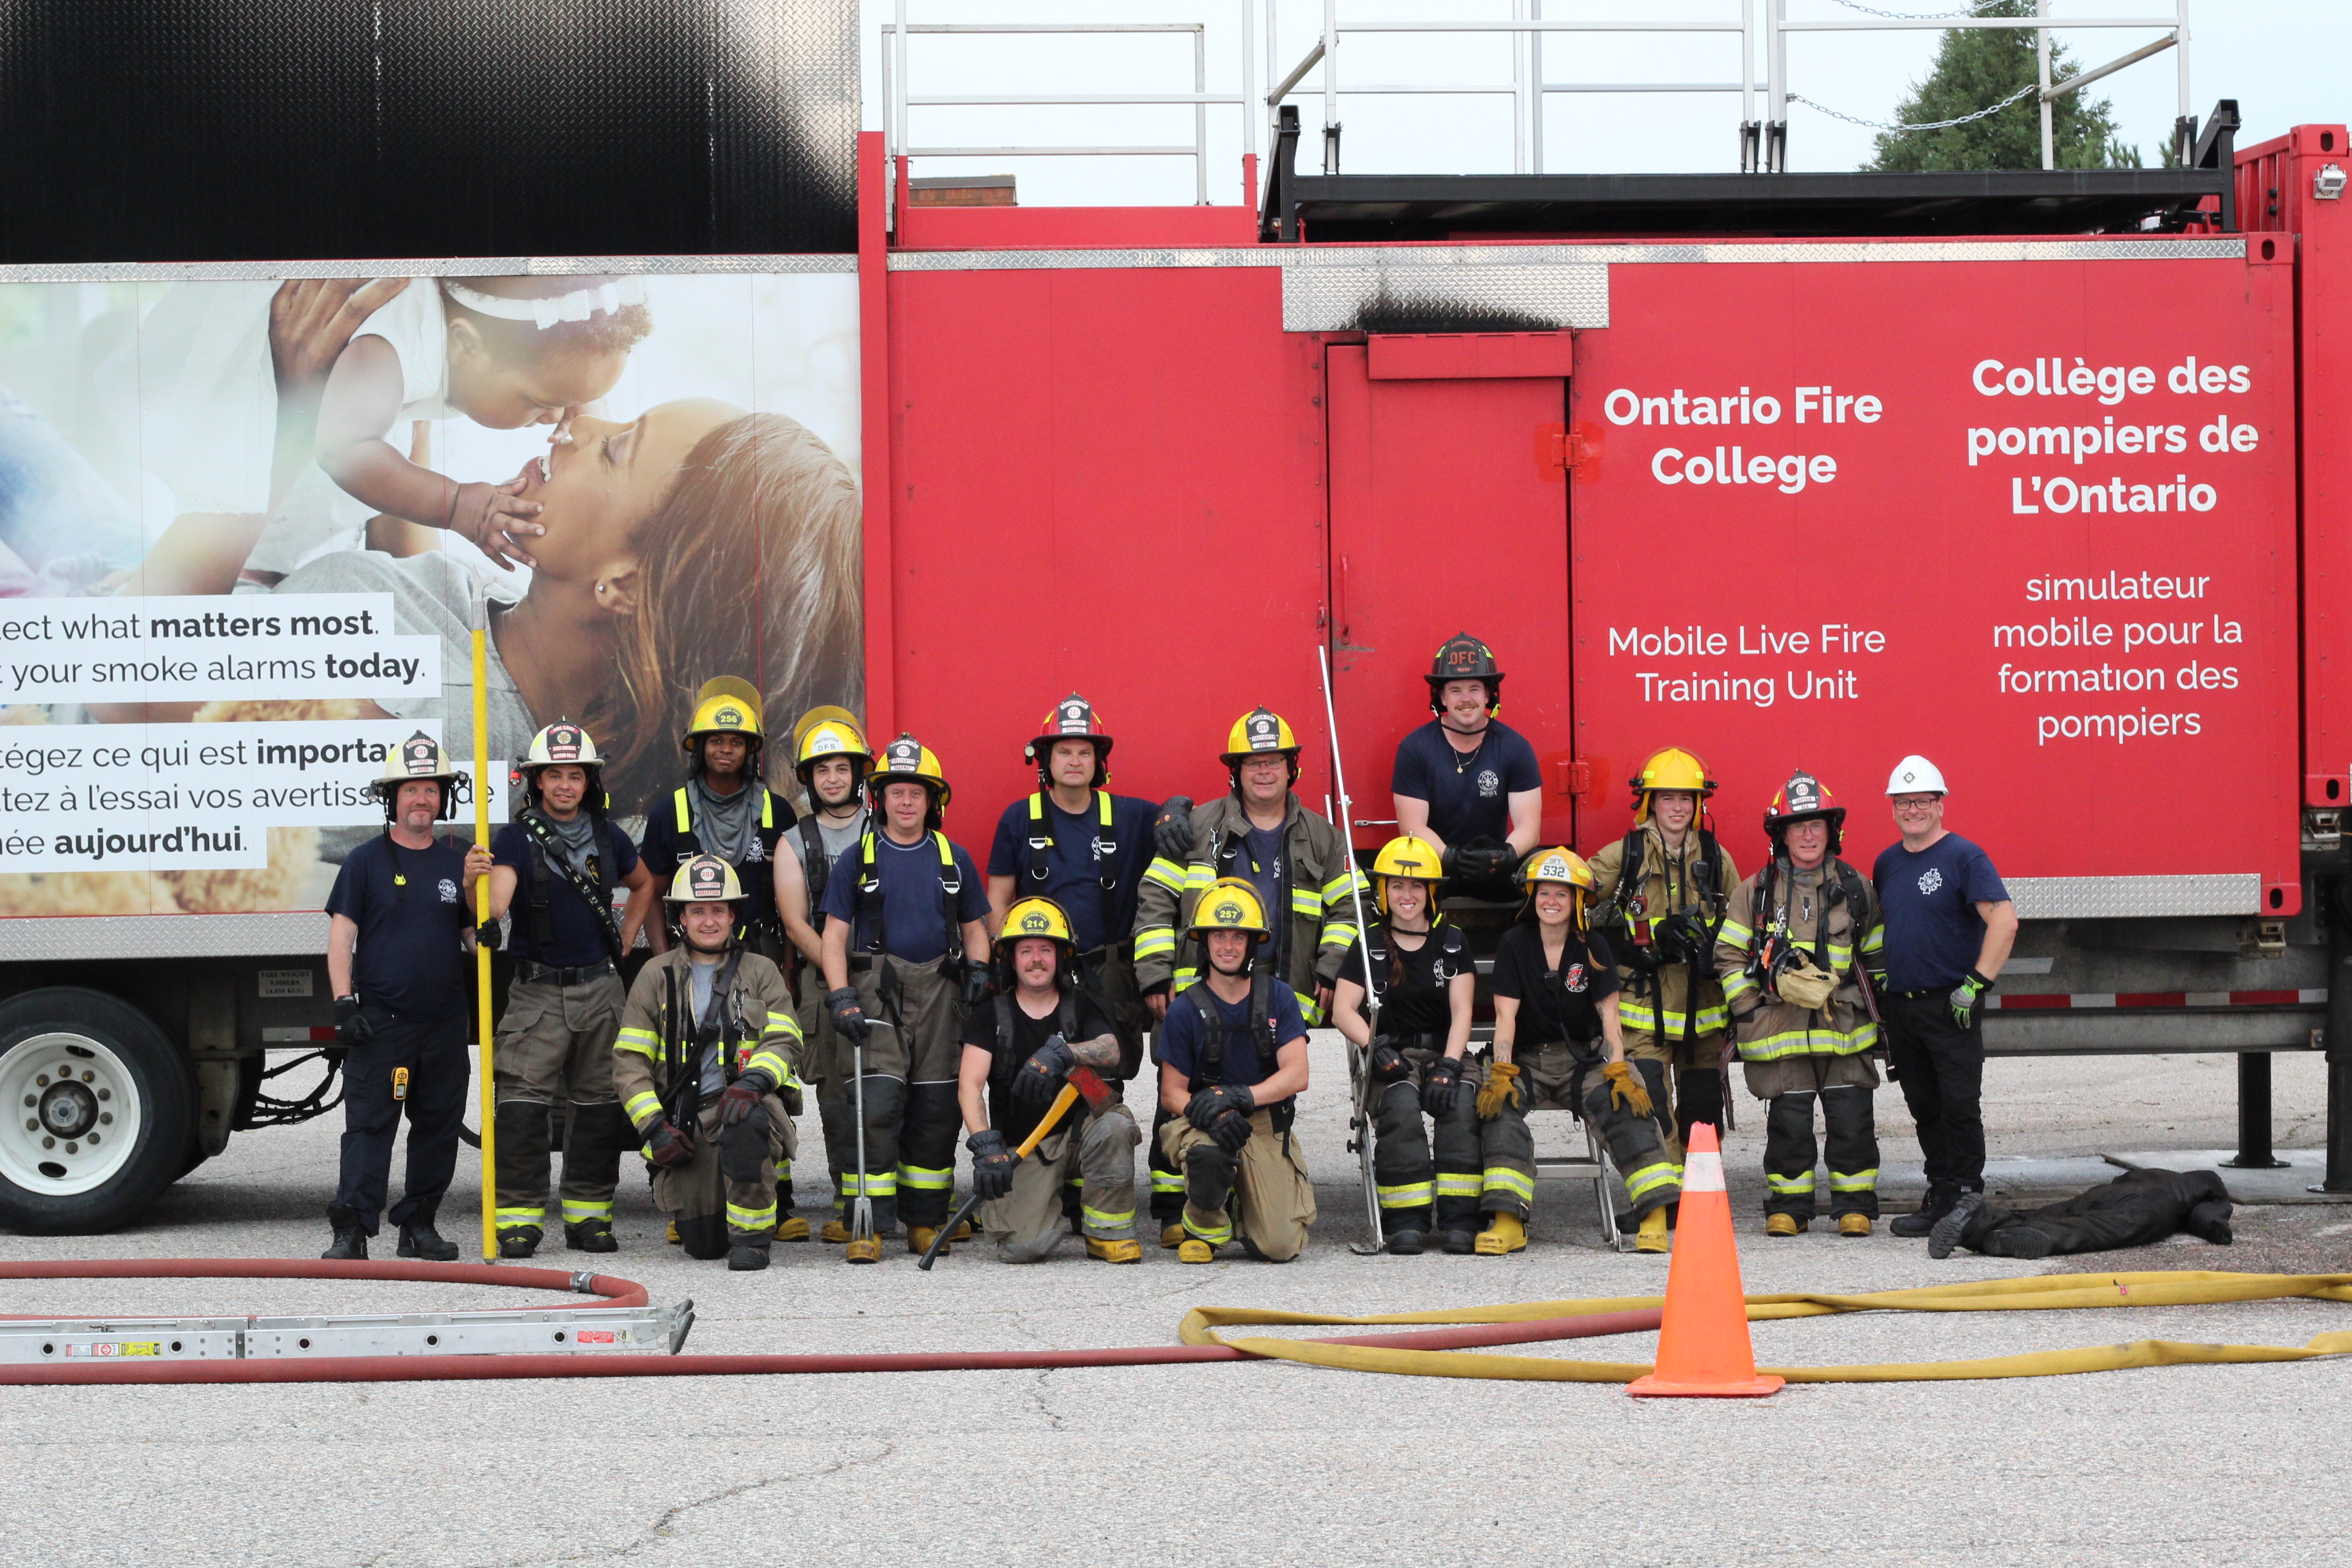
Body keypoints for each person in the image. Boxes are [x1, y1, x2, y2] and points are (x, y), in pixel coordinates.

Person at [1132, 707, 1363, 1246]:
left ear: (1291, 768)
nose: (1264, 771)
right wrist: (1156, 974)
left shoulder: (1324, 837)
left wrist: (1332, 967)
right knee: (1179, 1090)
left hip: (1280, 992)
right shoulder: (1199, 827)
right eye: (1253, 762)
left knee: (1266, 1096)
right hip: (1197, 990)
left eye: (1274, 761)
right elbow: (1155, 899)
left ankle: (1255, 1189)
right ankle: (1174, 1209)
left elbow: (1350, 908)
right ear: (1235, 770)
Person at [312, 276, 653, 570]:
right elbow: (342, 448)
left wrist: (579, 399)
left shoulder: (491, 352)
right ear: (465, 346)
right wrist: (456, 505)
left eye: (571, 403)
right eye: (541, 403)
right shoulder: (404, 341)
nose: (555, 418)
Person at [483, 721, 658, 1257]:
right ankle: (518, 1220)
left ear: (589, 782)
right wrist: (477, 888)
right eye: (554, 775)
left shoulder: (610, 838)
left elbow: (645, 884)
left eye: (575, 776)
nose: (565, 785)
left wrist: (628, 934)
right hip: (536, 992)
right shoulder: (514, 839)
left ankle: (589, 1218)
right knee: (521, 1108)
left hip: (600, 989)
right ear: (537, 781)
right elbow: (496, 903)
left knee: (601, 1106)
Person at [819, 734, 992, 1260]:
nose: (907, 802)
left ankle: (925, 1219)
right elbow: (833, 937)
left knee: (936, 1110)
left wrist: (980, 968)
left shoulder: (954, 858)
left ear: (933, 800)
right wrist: (841, 996)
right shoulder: (857, 859)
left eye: (917, 792)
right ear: (880, 798)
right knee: (874, 1106)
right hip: (877, 996)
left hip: (942, 993)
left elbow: (975, 926)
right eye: (896, 792)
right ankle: (867, 1224)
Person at [320, 734, 491, 1260]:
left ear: (443, 798)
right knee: (371, 1127)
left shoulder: (458, 863)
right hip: (384, 1023)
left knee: (438, 1128)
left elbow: (471, 936)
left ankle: (419, 1225)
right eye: (411, 789)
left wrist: (485, 929)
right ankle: (352, 1230)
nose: (421, 799)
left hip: (443, 1023)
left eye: (431, 789)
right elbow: (341, 937)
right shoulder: (364, 862)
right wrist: (344, 1003)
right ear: (392, 798)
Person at [612, 855, 806, 1271]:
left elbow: (785, 1038)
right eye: (698, 911)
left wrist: (754, 1082)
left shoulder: (761, 971)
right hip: (686, 1120)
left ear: (733, 915)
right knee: (702, 1244)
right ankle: (716, 1223)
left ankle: (753, 1241)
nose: (709, 921)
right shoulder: (655, 975)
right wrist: (655, 1128)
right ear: (681, 917)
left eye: (718, 910)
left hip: (743, 1103)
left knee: (747, 1122)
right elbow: (629, 1062)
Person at [1485, 847, 1683, 1255]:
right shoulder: (1513, 943)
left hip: (1585, 1061)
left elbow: (1609, 1018)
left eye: (1562, 893)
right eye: (1544, 892)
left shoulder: (1593, 945)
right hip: (1527, 1061)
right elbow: (1506, 1015)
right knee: (1499, 1109)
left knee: (1628, 1107)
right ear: (1532, 896)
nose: (1551, 901)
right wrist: (1502, 1072)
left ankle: (1653, 1218)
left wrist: (1619, 1070)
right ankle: (1508, 1221)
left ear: (1578, 901)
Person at [1714, 772, 1886, 1237]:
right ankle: (1789, 1207)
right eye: (1798, 826)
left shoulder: (1856, 888)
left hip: (1843, 1026)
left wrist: (1880, 1009)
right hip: (1779, 1028)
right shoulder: (1755, 892)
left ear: (1831, 832)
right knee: (1788, 1122)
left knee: (1852, 1118)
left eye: (1816, 826)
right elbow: (1728, 955)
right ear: (1782, 834)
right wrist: (1748, 1008)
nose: (1808, 835)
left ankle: (1855, 1206)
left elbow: (1876, 955)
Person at [1873, 755, 2019, 1250]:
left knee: (1959, 1106)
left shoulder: (1965, 857)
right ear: (1893, 808)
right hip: (1903, 1007)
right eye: (1903, 802)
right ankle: (1940, 1196)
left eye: (1922, 801)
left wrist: (1976, 984)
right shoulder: (1887, 863)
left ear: (1940, 804)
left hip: (1950, 1003)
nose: (1913, 810)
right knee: (1924, 1106)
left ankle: (1967, 1199)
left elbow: (2004, 921)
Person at [958, 896, 1144, 1264]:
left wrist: (1064, 1052)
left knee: (1116, 1127)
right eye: (1026, 950)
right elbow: (970, 1086)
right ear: (1011, 959)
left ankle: (1106, 1234)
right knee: (1022, 1249)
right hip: (1027, 1145)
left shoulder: (1082, 1005)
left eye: (1046, 949)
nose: (1036, 959)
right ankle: (1048, 1209)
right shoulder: (990, 1015)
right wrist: (985, 1146)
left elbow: (1112, 1051)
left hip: (1084, 1134)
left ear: (1061, 956)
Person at [984, 694, 1162, 1073]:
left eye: (1085, 752)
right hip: (1041, 972)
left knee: (1105, 1080)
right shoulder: (1018, 819)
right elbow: (997, 900)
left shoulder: (1130, 814)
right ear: (1047, 761)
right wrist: (1005, 963)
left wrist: (1177, 807)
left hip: (1108, 976)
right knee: (1039, 1071)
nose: (1075, 761)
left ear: (1099, 762)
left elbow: (1183, 823)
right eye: (1064, 752)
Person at [1330, 835, 1480, 1255]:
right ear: (1383, 891)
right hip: (1391, 1053)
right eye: (1397, 885)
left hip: (1445, 1051)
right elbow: (1343, 1010)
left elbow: (1463, 1011)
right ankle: (1405, 1220)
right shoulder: (1368, 942)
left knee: (1461, 1106)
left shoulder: (1453, 941)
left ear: (1432, 891)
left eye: (1416, 885)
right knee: (1399, 1109)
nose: (1407, 895)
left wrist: (1450, 1065)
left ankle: (1460, 1221)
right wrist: (1374, 1047)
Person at [1586, 747, 1739, 1161]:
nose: (1677, 807)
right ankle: (1664, 1192)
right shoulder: (1626, 854)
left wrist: (1713, 949)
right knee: (1651, 1106)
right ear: (1650, 803)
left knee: (1702, 1114)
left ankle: (1699, 1192)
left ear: (1698, 803)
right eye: (1667, 797)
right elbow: (1572, 903)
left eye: (1686, 798)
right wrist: (1627, 946)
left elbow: (1741, 923)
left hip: (1702, 1012)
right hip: (1643, 1009)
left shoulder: (1715, 857)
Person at [1155, 879, 1316, 1263]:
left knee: (1279, 1247)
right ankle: (1204, 1224)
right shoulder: (1184, 1009)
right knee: (1208, 1155)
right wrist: (1212, 1113)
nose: (1228, 946)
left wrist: (1242, 1096)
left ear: (1253, 944)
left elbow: (1298, 1075)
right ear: (1204, 942)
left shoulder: (1279, 997)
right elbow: (1171, 1092)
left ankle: (1242, 1202)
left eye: (1238, 937)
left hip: (1262, 1123)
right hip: (1202, 1122)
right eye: (1219, 936)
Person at [776, 709, 875, 1243]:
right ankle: (849, 1200)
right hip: (825, 983)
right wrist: (840, 977)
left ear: (858, 773)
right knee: (838, 1098)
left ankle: (916, 1200)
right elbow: (795, 923)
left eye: (841, 767)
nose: (832, 778)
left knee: (898, 1091)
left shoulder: (889, 828)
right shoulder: (794, 842)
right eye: (822, 769)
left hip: (889, 977)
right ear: (808, 779)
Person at [638, 676, 798, 961]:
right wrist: (664, 964)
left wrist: (787, 969)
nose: (726, 749)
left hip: (761, 957)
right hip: (689, 956)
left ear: (750, 749)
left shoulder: (777, 812)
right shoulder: (669, 813)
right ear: (699, 747)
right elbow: (651, 896)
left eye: (737, 742)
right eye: (716, 741)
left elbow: (795, 904)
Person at [1390, 632, 1542, 899]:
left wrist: (1501, 857)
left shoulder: (1516, 748)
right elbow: (1412, 828)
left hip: (1496, 869)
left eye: (1474, 689)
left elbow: (1529, 829)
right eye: (1455, 690)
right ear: (1442, 698)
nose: (1465, 699)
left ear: (1488, 694)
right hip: (1436, 870)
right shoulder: (1415, 749)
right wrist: (1453, 858)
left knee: (1541, 865)